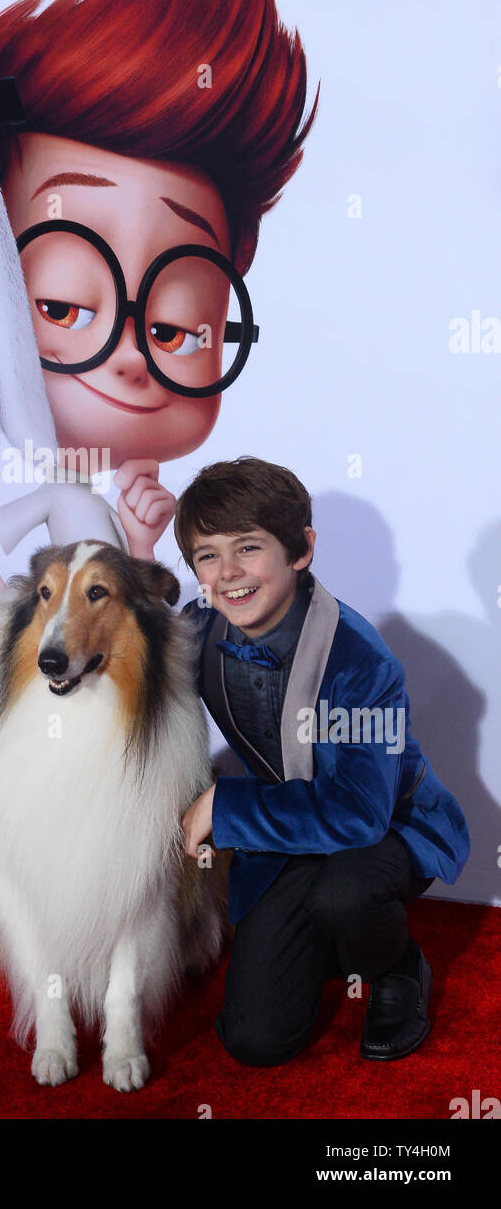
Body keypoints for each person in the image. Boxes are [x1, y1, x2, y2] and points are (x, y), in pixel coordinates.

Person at [0, 0, 317, 591]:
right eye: (62, 305)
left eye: (170, 329)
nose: (125, 357)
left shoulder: (113, 506)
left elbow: (130, 623)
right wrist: (8, 618)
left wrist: (141, 540)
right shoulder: (43, 497)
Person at [175, 456, 470, 1064]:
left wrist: (220, 803)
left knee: (345, 895)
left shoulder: (363, 661)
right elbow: (130, 663)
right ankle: (333, 948)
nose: (228, 574)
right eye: (208, 556)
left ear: (301, 550)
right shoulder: (201, 631)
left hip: (384, 827)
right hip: (290, 828)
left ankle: (398, 966)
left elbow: (359, 813)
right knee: (257, 1041)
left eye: (248, 548)